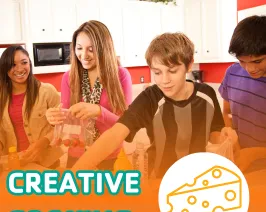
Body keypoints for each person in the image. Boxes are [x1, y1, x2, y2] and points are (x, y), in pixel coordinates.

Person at [71, 32, 232, 178]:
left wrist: (223, 135)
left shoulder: (207, 94)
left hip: (197, 176)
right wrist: (76, 171)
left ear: (189, 65)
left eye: (173, 71)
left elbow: (214, 132)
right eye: (157, 72)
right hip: (159, 178)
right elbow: (115, 135)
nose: (164, 80)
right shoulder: (150, 98)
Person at [46, 20, 132, 169]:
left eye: (91, 49)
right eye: (79, 48)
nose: (83, 55)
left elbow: (127, 125)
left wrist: (99, 112)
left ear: (104, 48)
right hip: (77, 155)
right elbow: (67, 121)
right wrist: (54, 118)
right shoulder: (69, 77)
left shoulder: (121, 75)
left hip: (110, 155)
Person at [0, 45, 63, 167]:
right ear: (5, 68)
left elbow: (64, 125)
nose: (20, 69)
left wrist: (44, 142)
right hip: (14, 163)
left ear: (30, 63)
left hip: (46, 162)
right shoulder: (1, 97)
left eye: (24, 63)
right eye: (13, 65)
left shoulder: (47, 91)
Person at [219, 15, 266, 150]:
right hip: (240, 156)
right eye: (242, 61)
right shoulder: (232, 72)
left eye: (257, 61)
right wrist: (232, 143)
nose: (250, 69)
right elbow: (227, 113)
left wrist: (251, 156)